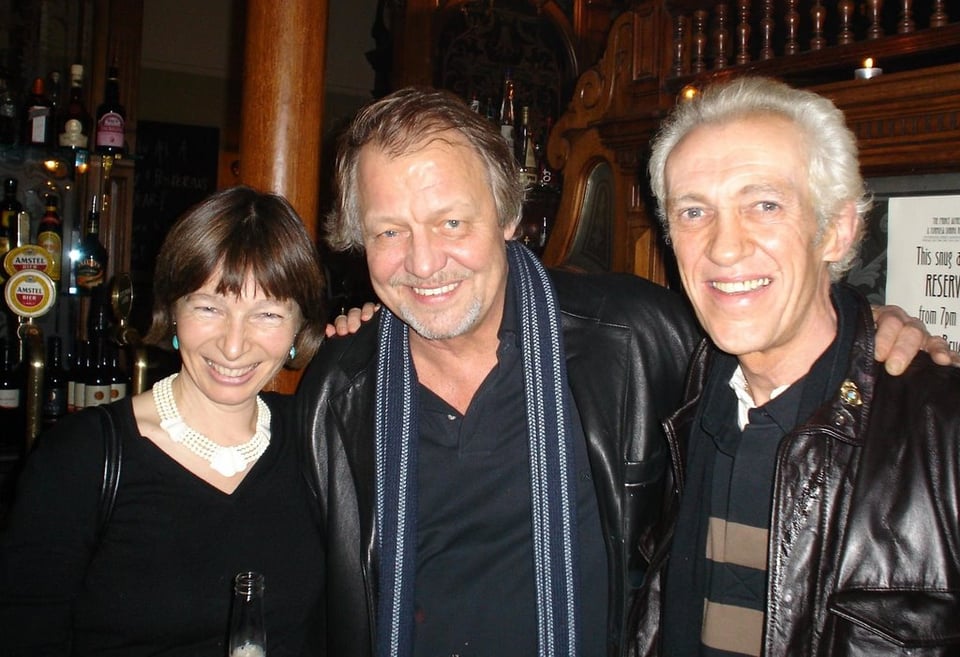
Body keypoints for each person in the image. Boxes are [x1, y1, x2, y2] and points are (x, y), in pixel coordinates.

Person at [298, 86, 952, 657]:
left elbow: (798, 342)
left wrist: (872, 333)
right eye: (389, 232)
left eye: (451, 221)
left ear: (508, 215)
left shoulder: (636, 339)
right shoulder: (340, 390)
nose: (422, 261)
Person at [639, 75, 960, 657]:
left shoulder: (941, 434)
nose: (724, 247)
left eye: (764, 205)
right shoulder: (675, 402)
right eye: (694, 211)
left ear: (836, 230)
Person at [0, 186, 328, 656]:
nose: (234, 345)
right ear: (173, 310)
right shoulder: (82, 457)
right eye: (209, 307)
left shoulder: (318, 442)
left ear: (300, 327)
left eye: (268, 314)